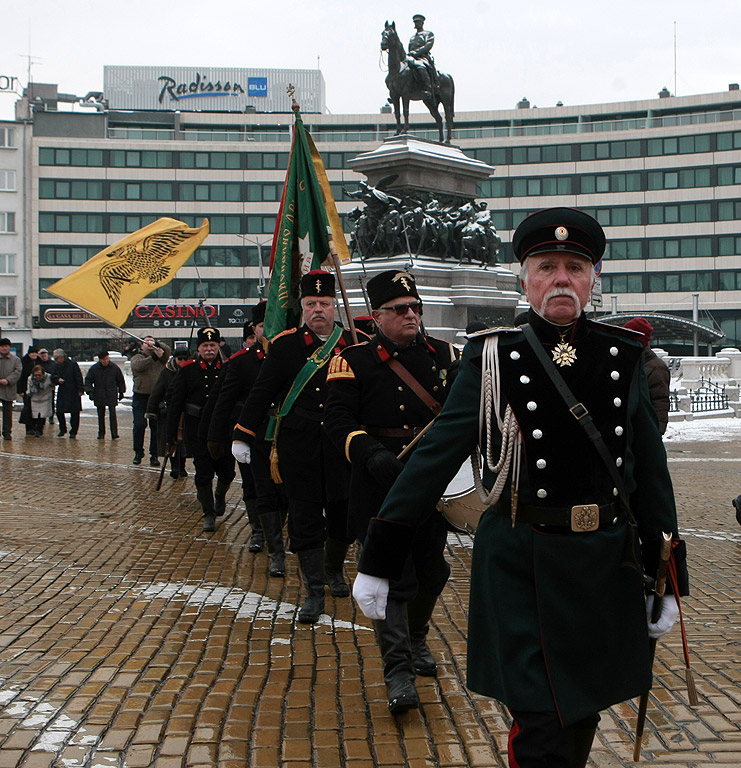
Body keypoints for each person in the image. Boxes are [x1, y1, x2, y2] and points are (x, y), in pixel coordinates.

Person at [352, 208, 689, 767]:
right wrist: (381, 553)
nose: (562, 278)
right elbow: (436, 456)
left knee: (580, 712)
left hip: (605, 564)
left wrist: (668, 575)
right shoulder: (492, 358)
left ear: (592, 279)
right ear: (524, 278)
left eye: (575, 267)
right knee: (541, 721)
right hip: (522, 560)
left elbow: (650, 473)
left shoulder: (622, 356)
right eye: (547, 266)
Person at [324, 270, 459, 714]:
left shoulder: (445, 355)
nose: (411, 315)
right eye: (400, 309)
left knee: (431, 572)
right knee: (391, 578)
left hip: (428, 483)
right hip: (378, 481)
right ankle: (398, 670)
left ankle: (417, 636)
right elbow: (338, 420)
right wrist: (366, 453)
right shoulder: (353, 360)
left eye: (415, 308)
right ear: (378, 316)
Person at [231, 271, 355, 624]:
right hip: (298, 444)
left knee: (344, 515)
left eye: (325, 304)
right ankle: (315, 590)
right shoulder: (285, 345)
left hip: (339, 443)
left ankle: (333, 570)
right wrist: (243, 434)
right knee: (304, 517)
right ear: (302, 307)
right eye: (312, 304)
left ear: (335, 307)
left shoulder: (352, 343)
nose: (319, 310)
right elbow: (263, 392)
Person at [206, 303, 287, 576]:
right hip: (254, 435)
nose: (269, 329)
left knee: (286, 492)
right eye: (264, 325)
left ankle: (277, 530)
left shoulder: (296, 355)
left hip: (289, 435)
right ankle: (262, 537)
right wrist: (216, 438)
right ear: (255, 328)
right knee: (257, 488)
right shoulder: (241, 361)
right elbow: (223, 401)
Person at [167, 327, 234, 533]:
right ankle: (209, 513)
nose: (209, 349)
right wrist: (170, 436)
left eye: (213, 345)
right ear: (199, 348)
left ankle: (220, 495)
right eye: (205, 346)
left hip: (223, 430)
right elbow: (175, 403)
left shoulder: (229, 368)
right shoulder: (188, 370)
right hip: (197, 430)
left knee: (227, 472)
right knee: (203, 473)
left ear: (218, 346)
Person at [146, 347, 191, 478]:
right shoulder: (167, 373)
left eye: (185, 359)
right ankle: (175, 467)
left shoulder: (191, 371)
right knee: (171, 440)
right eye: (179, 359)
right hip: (169, 412)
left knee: (184, 441)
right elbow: (157, 392)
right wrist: (152, 410)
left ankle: (182, 466)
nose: (182, 362)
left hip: (186, 412)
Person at [624, 317, 671, 435]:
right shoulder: (630, 361)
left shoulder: (656, 367)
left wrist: (655, 434)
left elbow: (660, 403)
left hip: (645, 432)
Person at [131, 335, 170, 466]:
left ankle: (154, 454)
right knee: (139, 425)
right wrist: (153, 357)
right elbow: (138, 366)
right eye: (145, 342)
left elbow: (168, 351)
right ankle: (138, 451)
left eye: (151, 341)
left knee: (156, 428)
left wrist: (158, 344)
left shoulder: (160, 358)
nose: (148, 344)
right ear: (141, 345)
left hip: (157, 397)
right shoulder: (137, 357)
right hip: (140, 396)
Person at [84, 351, 126, 440]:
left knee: (113, 414)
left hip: (111, 393)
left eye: (107, 358)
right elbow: (88, 381)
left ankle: (114, 433)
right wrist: (90, 392)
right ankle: (101, 433)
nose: (106, 361)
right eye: (104, 359)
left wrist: (121, 391)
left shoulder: (114, 367)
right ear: (100, 360)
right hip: (99, 394)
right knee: (100, 415)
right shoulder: (94, 369)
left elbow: (120, 380)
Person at [51, 349, 84, 438]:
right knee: (59, 411)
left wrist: (80, 390)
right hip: (62, 390)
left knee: (75, 412)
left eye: (57, 358)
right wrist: (57, 380)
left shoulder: (73, 364)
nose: (56, 360)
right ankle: (62, 428)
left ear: (62, 357)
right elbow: (53, 377)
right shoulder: (56, 366)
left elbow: (78, 377)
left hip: (73, 391)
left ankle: (73, 431)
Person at [407, 14, 438, 98]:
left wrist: (416, 52)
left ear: (422, 23)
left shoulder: (428, 34)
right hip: (411, 58)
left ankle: (428, 88)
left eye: (418, 22)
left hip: (423, 57)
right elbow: (409, 49)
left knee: (420, 66)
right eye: (415, 22)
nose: (416, 24)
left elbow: (428, 45)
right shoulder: (412, 37)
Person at [0, 338, 21, 440]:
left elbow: (17, 372)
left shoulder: (15, 360)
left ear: (9, 347)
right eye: (2, 346)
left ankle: (7, 432)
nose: (4, 348)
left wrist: (8, 380)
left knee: (7, 413)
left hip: (9, 389)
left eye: (6, 346)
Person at [26, 364, 54, 436]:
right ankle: (35, 428)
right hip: (35, 399)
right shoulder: (30, 379)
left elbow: (52, 386)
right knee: (35, 415)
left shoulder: (48, 377)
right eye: (36, 375)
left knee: (42, 416)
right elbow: (28, 389)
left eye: (39, 375)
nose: (37, 377)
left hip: (45, 398)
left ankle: (39, 430)